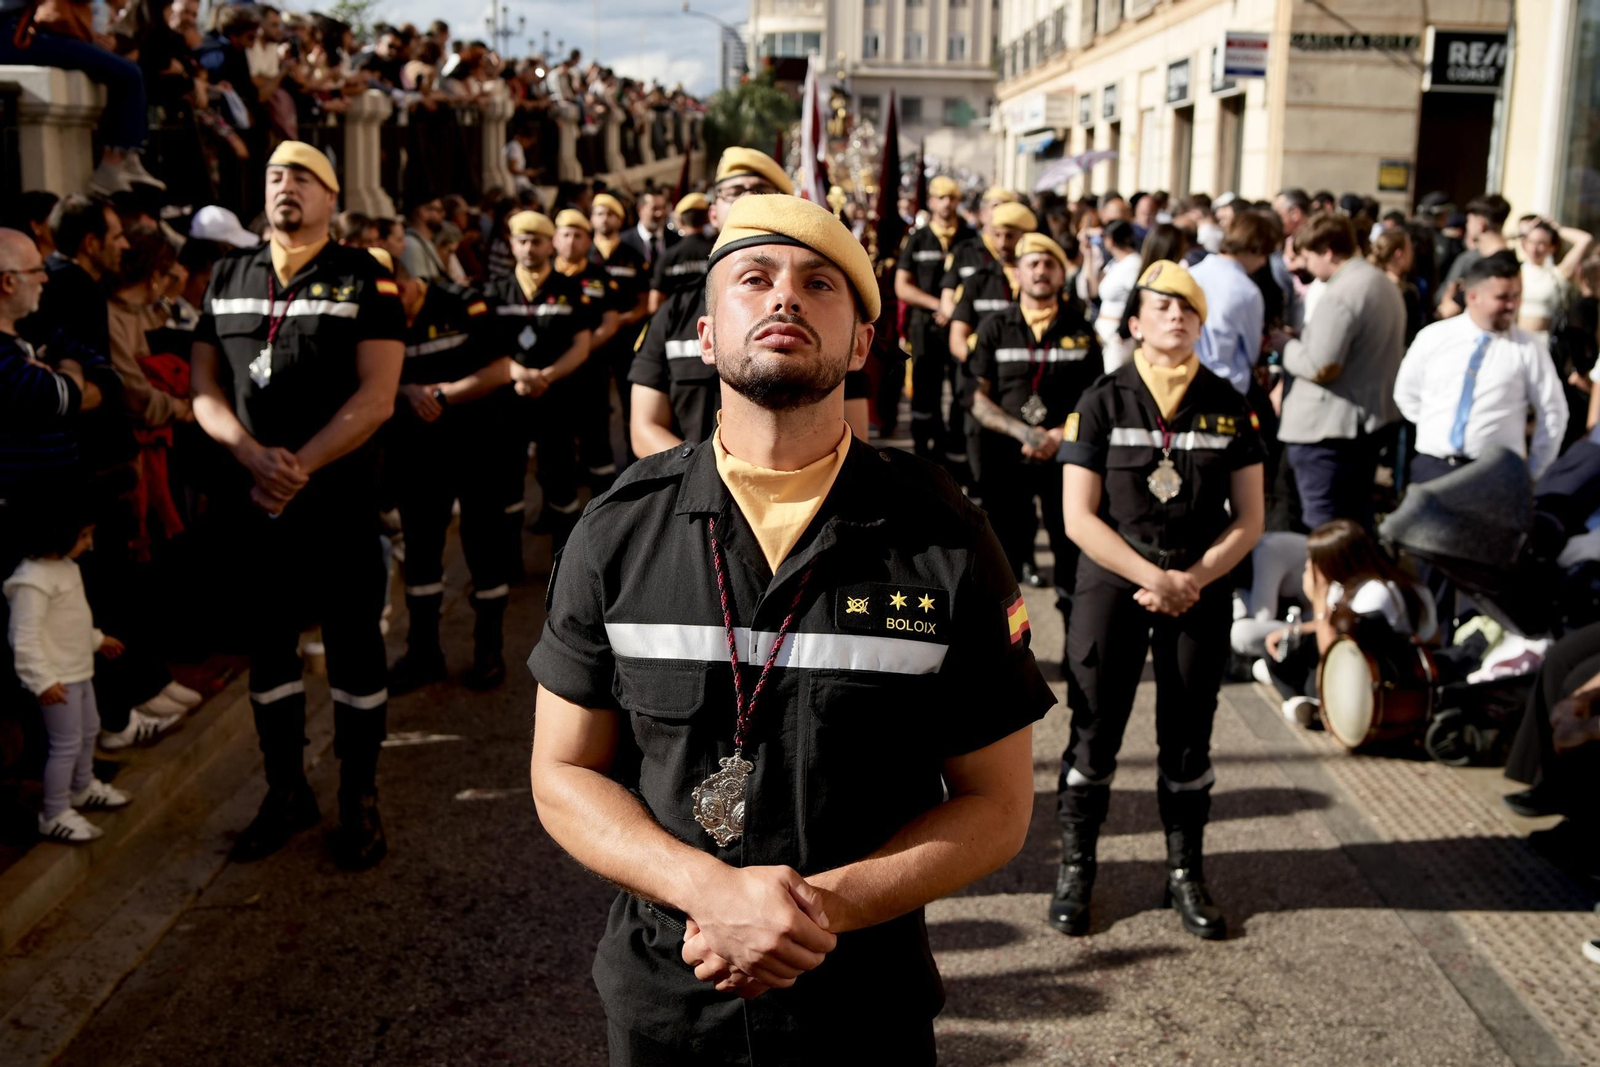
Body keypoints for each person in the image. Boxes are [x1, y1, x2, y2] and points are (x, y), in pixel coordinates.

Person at [527, 192, 1052, 1065]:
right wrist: (704, 888)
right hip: (667, 1003)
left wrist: (816, 912)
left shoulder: (944, 536)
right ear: (702, 335)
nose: (784, 297)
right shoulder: (618, 530)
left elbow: (998, 805)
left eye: (819, 283)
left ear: (859, 344)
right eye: (754, 278)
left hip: (860, 1009)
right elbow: (560, 770)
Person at [189, 142, 405, 870]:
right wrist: (252, 455)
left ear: (331, 197)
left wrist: (299, 464)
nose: (287, 187)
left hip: (337, 503)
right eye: (277, 175)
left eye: (305, 178)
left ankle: (359, 797)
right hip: (255, 501)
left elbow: (377, 396)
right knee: (270, 653)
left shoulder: (364, 277)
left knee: (354, 651)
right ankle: (285, 790)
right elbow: (204, 388)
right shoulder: (228, 274)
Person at [1055, 260, 1266, 941]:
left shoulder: (1231, 402)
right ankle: (1077, 867)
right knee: (1094, 730)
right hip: (1115, 582)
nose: (1176, 317)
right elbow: (1078, 518)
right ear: (1135, 321)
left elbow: (1251, 517)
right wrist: (1150, 572)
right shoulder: (1100, 400)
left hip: (1196, 585)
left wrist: (1191, 578)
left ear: (1202, 325)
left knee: (1187, 736)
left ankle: (1185, 873)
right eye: (1162, 306)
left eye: (1189, 309)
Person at [381, 251, 519, 693]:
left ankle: (488, 649)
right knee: (421, 554)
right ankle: (424, 654)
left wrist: (442, 395)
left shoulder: (461, 303)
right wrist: (407, 389)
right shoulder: (377, 315)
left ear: (406, 286)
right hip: (417, 454)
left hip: (477, 444)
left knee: (484, 548)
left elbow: (501, 369)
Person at [967, 232, 1100, 615]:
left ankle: (1074, 618)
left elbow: (1094, 400)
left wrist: (1061, 434)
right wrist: (1023, 432)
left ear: (1062, 276)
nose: (1041, 271)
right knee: (1001, 553)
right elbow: (976, 397)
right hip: (1006, 456)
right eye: (1032, 264)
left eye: (1050, 264)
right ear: (1018, 275)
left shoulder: (1081, 330)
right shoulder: (993, 327)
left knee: (1069, 548)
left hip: (1065, 457)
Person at [629, 149, 794, 458]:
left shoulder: (822, 309)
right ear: (713, 213)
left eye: (760, 191)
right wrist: (710, 475)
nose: (746, 199)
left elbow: (850, 430)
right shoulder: (674, 312)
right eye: (733, 192)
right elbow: (644, 428)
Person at [6, 512, 132, 843]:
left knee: (89, 730)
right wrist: (41, 681)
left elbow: (71, 619)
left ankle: (82, 785)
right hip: (58, 679)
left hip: (79, 670)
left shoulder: (66, 568)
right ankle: (55, 811)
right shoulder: (32, 581)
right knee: (65, 744)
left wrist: (95, 640)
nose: (89, 543)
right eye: (83, 535)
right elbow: (24, 638)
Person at [1277, 213, 1406, 530]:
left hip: (1328, 429)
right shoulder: (1380, 283)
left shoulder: (1342, 293)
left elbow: (1321, 366)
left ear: (1327, 251)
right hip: (1364, 422)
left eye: (1307, 256)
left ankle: (1327, 580)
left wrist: (1284, 346)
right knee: (1353, 518)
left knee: (1324, 523)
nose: (1304, 266)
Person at [1395, 251, 1568, 484]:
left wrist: (1534, 471)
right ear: (1473, 296)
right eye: (1502, 297)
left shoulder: (1528, 348)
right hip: (1433, 468)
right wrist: (1435, 425)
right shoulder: (1434, 337)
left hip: (1495, 475)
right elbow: (1406, 393)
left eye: (1516, 296)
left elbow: (1553, 412)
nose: (1512, 305)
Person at [481, 210, 594, 548]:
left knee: (560, 476)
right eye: (522, 241)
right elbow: (485, 345)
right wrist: (517, 373)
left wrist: (546, 376)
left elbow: (582, 344)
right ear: (512, 245)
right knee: (507, 479)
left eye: (537, 241)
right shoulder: (495, 291)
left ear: (550, 245)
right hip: (508, 400)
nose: (529, 248)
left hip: (557, 396)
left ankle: (565, 556)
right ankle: (509, 556)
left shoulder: (570, 289)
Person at [1260, 518, 1436, 727]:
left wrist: (1318, 598)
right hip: (1363, 665)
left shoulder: (1374, 593)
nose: (1308, 566)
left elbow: (1334, 657)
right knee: (1280, 653)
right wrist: (1294, 629)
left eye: (1313, 560)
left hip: (1386, 677)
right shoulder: (1349, 585)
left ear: (1332, 562)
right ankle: (1304, 702)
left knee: (1310, 677)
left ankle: (1310, 705)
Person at [895, 175, 972, 462]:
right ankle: (922, 453)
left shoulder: (969, 237)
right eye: (941, 197)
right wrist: (939, 305)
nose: (947, 203)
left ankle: (954, 452)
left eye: (952, 197)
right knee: (926, 390)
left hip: (961, 325)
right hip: (925, 327)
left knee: (962, 389)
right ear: (931, 201)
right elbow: (902, 286)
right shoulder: (918, 238)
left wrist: (956, 310)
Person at [551, 208, 623, 487]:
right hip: (553, 375)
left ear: (587, 240)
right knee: (557, 443)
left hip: (592, 369)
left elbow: (610, 322)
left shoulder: (600, 277)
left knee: (597, 436)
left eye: (578, 235)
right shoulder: (545, 280)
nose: (571, 241)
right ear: (555, 240)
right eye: (565, 234)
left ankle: (602, 500)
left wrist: (580, 350)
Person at [588, 193, 652, 463]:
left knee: (630, 404)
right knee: (594, 406)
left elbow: (645, 301)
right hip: (591, 345)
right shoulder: (583, 254)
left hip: (627, 341)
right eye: (599, 213)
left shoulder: (632, 255)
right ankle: (596, 464)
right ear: (592, 218)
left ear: (620, 218)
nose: (605, 219)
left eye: (610, 214)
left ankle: (632, 463)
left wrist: (624, 319)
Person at [1189, 211, 1276, 396]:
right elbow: (1252, 352)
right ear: (1255, 248)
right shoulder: (1247, 291)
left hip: (1187, 378)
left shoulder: (1191, 274)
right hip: (1227, 387)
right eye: (1264, 255)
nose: (1262, 263)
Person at [1518, 218, 1593, 345]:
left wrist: (1556, 228)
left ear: (1552, 247)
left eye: (1541, 243)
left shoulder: (1557, 274)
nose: (1535, 248)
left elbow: (1585, 239)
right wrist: (1524, 231)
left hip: (1543, 343)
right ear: (1524, 243)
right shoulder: (1515, 270)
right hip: (1515, 340)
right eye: (1531, 242)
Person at [1437, 194, 1512, 316]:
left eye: (1469, 221)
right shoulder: (1512, 261)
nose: (1467, 226)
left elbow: (1447, 311)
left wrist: (1450, 292)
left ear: (1481, 225)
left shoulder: (1485, 265)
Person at [648, 192, 713, 313]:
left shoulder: (668, 256)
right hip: (710, 323)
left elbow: (654, 305)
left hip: (674, 325)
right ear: (707, 218)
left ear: (680, 220)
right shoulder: (717, 251)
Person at [1092, 219, 1143, 373]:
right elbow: (1094, 290)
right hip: (1104, 333)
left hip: (1119, 337)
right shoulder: (1115, 263)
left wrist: (1123, 331)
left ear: (1110, 240)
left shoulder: (1134, 264)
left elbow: (1136, 299)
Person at [620, 189, 676, 269]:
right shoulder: (623, 242)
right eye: (654, 208)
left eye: (663, 208)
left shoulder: (677, 240)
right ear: (640, 210)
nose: (659, 213)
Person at [402, 196, 447, 282]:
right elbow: (420, 286)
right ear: (423, 212)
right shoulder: (411, 245)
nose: (443, 214)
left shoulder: (426, 242)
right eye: (438, 210)